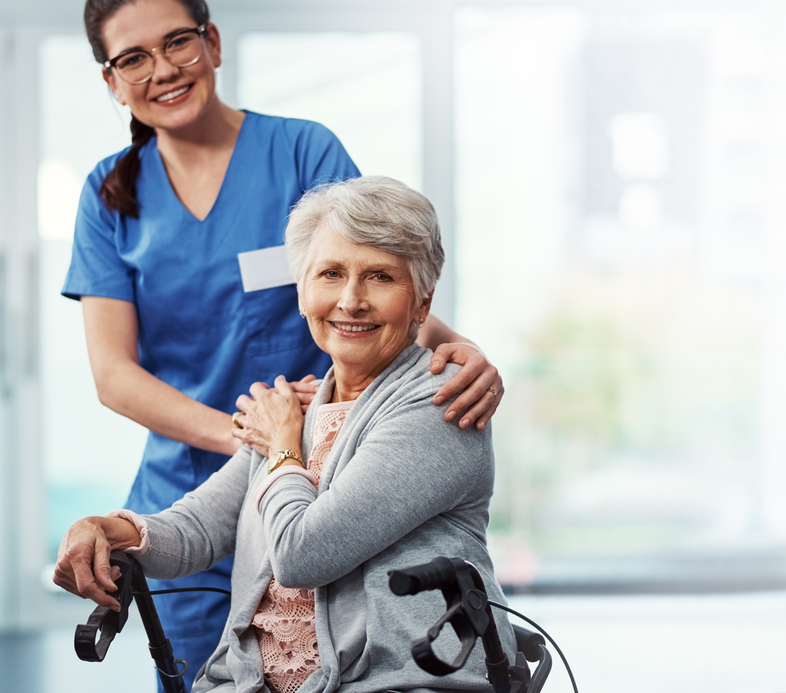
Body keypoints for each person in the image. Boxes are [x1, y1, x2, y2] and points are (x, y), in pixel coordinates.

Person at [62, 0, 504, 686]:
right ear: (113, 83)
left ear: (212, 43)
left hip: (331, 464)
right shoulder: (108, 193)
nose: (163, 69)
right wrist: (261, 441)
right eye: (133, 58)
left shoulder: (300, 153)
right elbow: (114, 376)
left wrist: (463, 352)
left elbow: (371, 268)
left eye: (178, 41)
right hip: (214, 467)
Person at [55, 176, 515, 693]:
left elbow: (303, 555)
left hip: (390, 681)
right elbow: (198, 531)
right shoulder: (303, 407)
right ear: (302, 293)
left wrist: (279, 444)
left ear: (423, 303)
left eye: (380, 277)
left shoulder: (437, 404)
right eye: (330, 274)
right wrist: (108, 528)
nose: (351, 300)